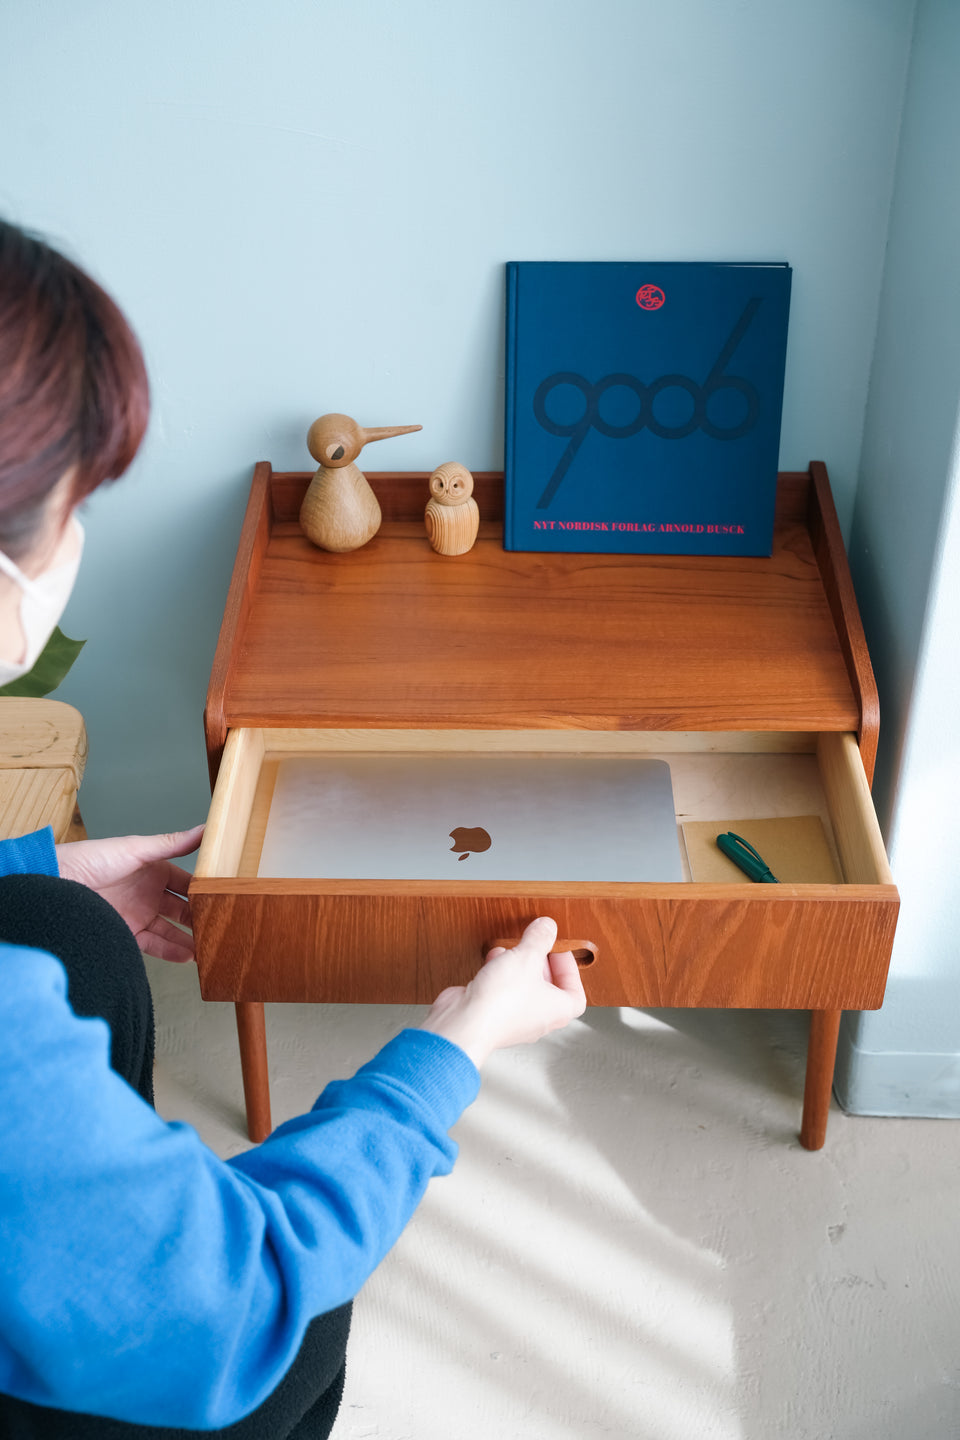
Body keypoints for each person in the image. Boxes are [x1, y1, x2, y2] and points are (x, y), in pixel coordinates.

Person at [0, 218, 587, 1438]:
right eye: (71, 508)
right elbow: (240, 1287)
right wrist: (455, 1045)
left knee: (63, 926)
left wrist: (32, 870)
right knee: (307, 1308)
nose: (75, 544)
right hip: (160, 1308)